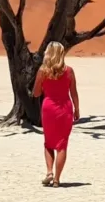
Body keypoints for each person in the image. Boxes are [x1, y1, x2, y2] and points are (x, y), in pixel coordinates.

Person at [31, 41, 79, 187]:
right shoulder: (69, 71)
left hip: (49, 108)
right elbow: (74, 93)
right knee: (62, 145)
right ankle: (57, 179)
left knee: (48, 142)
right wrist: (77, 109)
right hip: (65, 108)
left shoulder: (43, 71)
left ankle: (49, 172)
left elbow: (36, 93)